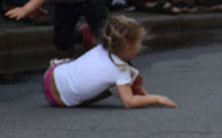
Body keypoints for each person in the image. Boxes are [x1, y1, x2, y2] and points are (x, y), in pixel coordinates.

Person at [42, 15, 177, 109]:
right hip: (59, 100)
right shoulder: (120, 70)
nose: (141, 47)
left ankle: (62, 63)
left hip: (51, 75)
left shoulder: (101, 48)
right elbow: (129, 102)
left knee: (89, 67)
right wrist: (158, 99)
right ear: (128, 46)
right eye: (139, 43)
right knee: (119, 82)